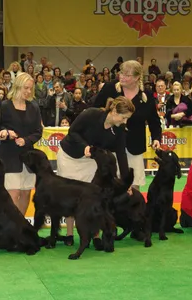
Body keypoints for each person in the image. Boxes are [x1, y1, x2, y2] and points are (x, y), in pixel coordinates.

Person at [58, 96, 135, 246]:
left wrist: (127, 182)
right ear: (114, 111)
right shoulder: (91, 114)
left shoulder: (119, 130)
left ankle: (95, 235)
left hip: (91, 161)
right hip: (69, 155)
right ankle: (68, 234)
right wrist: (84, 146)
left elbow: (121, 155)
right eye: (124, 117)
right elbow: (72, 131)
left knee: (92, 197)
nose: (125, 122)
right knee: (71, 195)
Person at [93, 60, 161, 190]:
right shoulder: (110, 88)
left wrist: (156, 138)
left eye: (127, 75)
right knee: (107, 186)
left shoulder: (147, 95)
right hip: (109, 145)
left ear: (136, 77)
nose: (121, 77)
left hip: (134, 147)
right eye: (121, 73)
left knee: (133, 187)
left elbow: (154, 120)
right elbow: (96, 110)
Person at [0, 73, 43, 215]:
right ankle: (10, 229)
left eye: (31, 89)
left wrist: (26, 140)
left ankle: (19, 227)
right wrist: (5, 131)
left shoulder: (33, 107)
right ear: (17, 86)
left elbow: (38, 131)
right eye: (26, 88)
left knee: (25, 194)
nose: (29, 91)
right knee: (13, 194)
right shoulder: (4, 106)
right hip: (9, 157)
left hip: (28, 158)